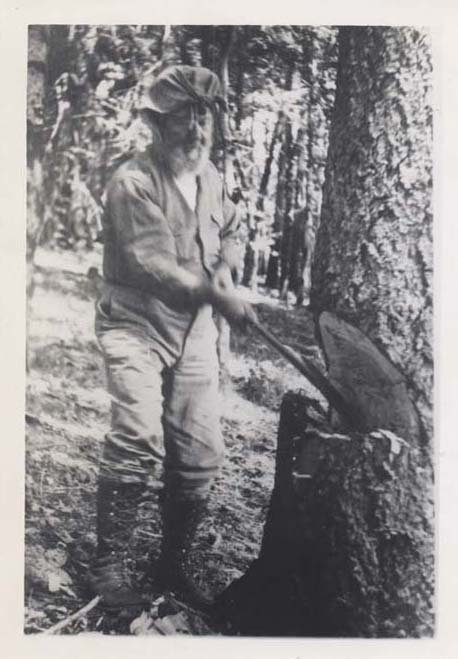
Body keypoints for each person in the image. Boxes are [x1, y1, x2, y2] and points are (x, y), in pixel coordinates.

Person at [88, 65, 257, 612]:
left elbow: (232, 227)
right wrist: (216, 295)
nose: (195, 130)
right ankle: (108, 567)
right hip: (134, 322)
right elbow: (154, 263)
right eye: (183, 118)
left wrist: (227, 270)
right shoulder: (132, 182)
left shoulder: (211, 179)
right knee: (137, 435)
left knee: (199, 458)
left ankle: (172, 566)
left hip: (194, 334)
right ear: (156, 125)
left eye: (203, 117)